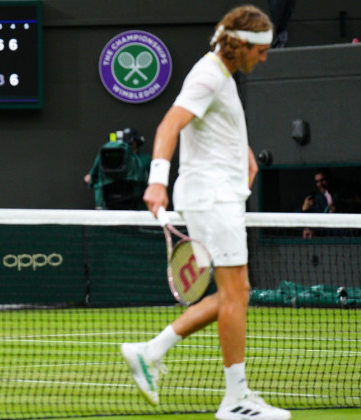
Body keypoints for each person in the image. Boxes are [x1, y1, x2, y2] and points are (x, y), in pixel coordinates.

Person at [122, 5, 290, 420]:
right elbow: (168, 125)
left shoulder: (223, 77)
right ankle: (235, 400)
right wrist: (156, 179)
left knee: (236, 294)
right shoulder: (209, 73)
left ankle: (149, 351)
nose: (264, 58)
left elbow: (218, 132)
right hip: (210, 197)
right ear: (241, 44)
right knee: (237, 294)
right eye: (261, 50)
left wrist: (243, 156)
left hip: (219, 196)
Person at [84, 128, 150, 210]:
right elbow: (90, 177)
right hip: (109, 204)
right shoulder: (105, 157)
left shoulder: (145, 159)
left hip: (136, 205)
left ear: (136, 143)